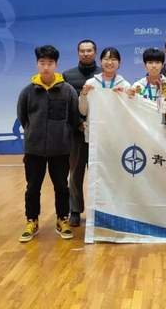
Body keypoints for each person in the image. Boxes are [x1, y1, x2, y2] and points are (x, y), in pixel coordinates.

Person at [17, 45, 79, 243]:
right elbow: (23, 118)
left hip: (60, 149)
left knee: (61, 187)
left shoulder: (68, 90)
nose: (46, 67)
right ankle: (32, 221)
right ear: (37, 64)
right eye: (42, 63)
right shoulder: (27, 92)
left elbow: (74, 118)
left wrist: (63, 134)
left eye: (50, 63)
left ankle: (62, 219)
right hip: (34, 150)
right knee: (32, 187)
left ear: (56, 65)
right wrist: (33, 134)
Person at [62, 39, 101, 227]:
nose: (86, 53)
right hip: (76, 134)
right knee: (75, 173)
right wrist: (78, 123)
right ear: (78, 53)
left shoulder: (103, 75)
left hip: (99, 134)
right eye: (82, 51)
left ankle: (100, 210)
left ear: (95, 52)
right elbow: (65, 104)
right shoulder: (67, 75)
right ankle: (75, 210)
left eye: (89, 50)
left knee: (100, 173)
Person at [79, 47, 131, 142]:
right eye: (106, 59)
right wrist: (84, 94)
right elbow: (83, 111)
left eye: (113, 59)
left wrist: (126, 96)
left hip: (117, 134)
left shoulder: (124, 85)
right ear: (100, 62)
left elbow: (129, 113)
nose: (110, 62)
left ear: (119, 63)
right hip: (96, 134)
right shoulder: (91, 83)